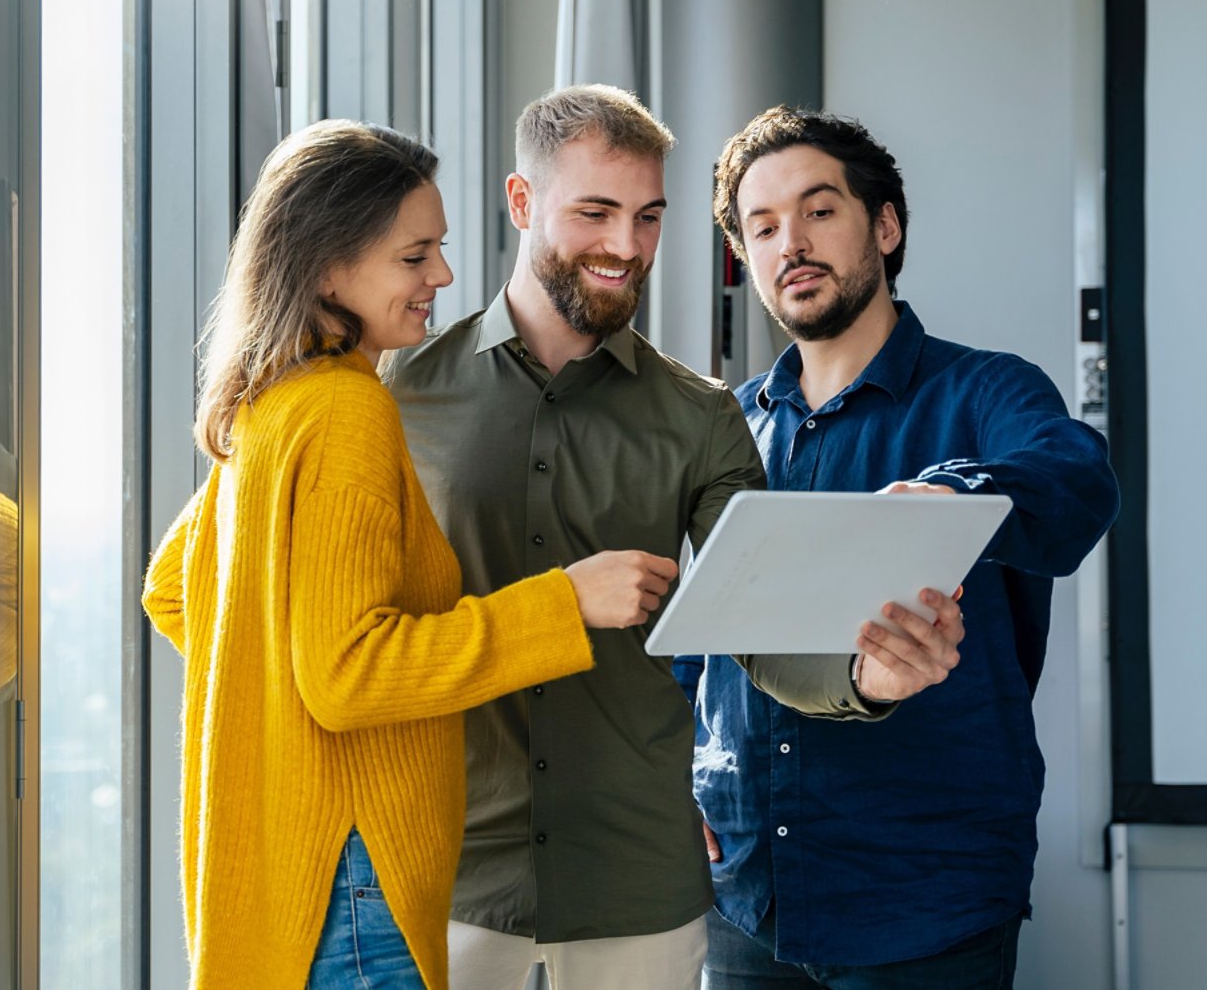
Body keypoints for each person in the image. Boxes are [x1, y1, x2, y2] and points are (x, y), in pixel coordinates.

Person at [382, 85, 967, 990]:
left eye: (648, 217)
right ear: (522, 202)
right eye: (596, 212)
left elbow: (761, 623)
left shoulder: (701, 416)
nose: (626, 247)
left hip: (639, 892)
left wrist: (861, 677)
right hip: (441, 874)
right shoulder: (396, 394)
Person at [141, 119, 681, 990]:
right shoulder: (348, 414)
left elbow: (179, 591)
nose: (443, 276)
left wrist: (291, 735)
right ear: (326, 264)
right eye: (414, 255)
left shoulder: (274, 403)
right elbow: (346, 672)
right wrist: (563, 602)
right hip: (356, 882)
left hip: (304, 873)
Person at [687, 106, 1120, 989]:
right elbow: (688, 638)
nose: (789, 244)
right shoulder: (724, 428)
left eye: (818, 210)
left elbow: (1077, 484)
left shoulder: (986, 388)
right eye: (761, 227)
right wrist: (668, 785)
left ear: (883, 226)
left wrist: (948, 500)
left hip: (926, 901)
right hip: (746, 901)